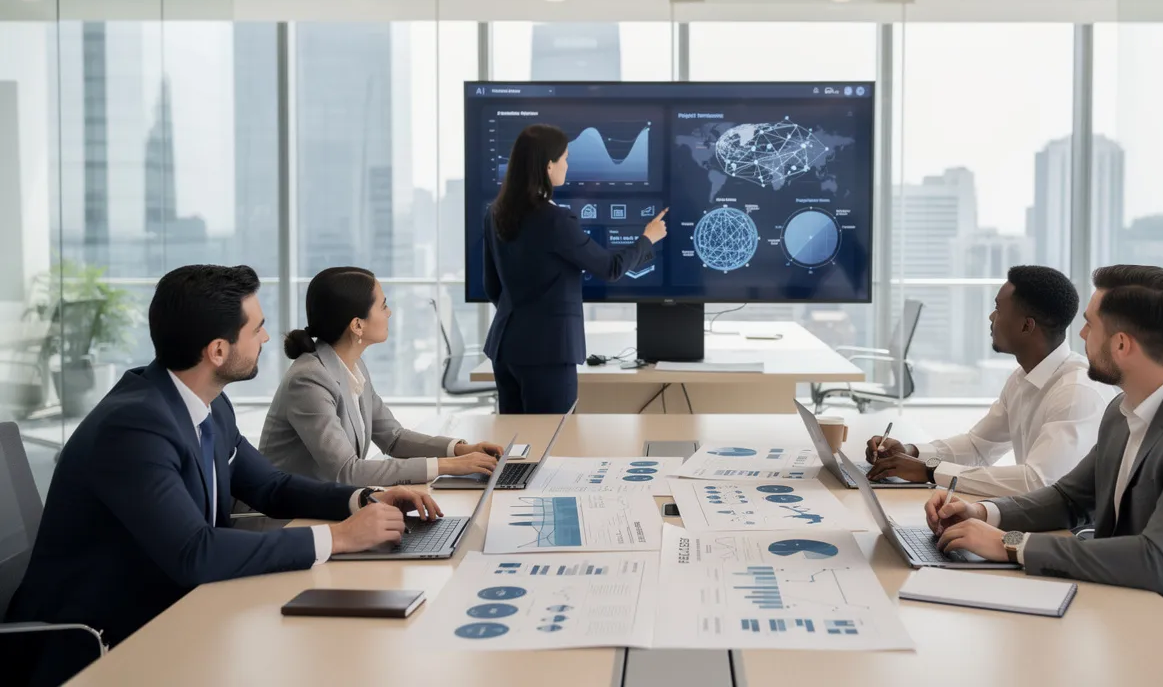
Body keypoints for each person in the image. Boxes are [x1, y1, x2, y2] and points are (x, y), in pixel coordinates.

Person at [3, 265, 442, 687]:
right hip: (101, 641)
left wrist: (364, 499)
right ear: (217, 350)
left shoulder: (207, 403)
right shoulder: (134, 427)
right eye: (256, 329)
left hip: (183, 609)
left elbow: (271, 487)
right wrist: (341, 538)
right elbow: (194, 551)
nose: (268, 337)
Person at [926, 265, 1163, 682]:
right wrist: (983, 513)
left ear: (1122, 344)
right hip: (1145, 614)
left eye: (1090, 325)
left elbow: (1158, 560)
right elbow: (1069, 498)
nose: (1082, 336)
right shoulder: (1124, 410)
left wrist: (1012, 545)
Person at [864, 265, 1113, 496]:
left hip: (1063, 534)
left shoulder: (1076, 392)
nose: (991, 317)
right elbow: (977, 448)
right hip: (1031, 519)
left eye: (999, 309)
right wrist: (911, 453)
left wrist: (930, 471)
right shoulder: (1023, 378)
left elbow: (1037, 482)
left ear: (1027, 326)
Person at [483, 123, 668, 413]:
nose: (568, 166)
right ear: (548, 166)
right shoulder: (554, 220)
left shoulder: (494, 213)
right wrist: (648, 239)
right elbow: (610, 268)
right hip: (549, 352)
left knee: (515, 445)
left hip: (505, 347)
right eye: (565, 158)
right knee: (551, 442)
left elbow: (492, 286)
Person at [259, 267, 502, 486]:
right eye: (383, 306)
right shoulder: (309, 380)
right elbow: (347, 472)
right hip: (286, 521)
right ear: (357, 325)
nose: (390, 312)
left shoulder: (352, 365)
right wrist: (447, 466)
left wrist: (460, 450)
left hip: (324, 506)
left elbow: (393, 439)